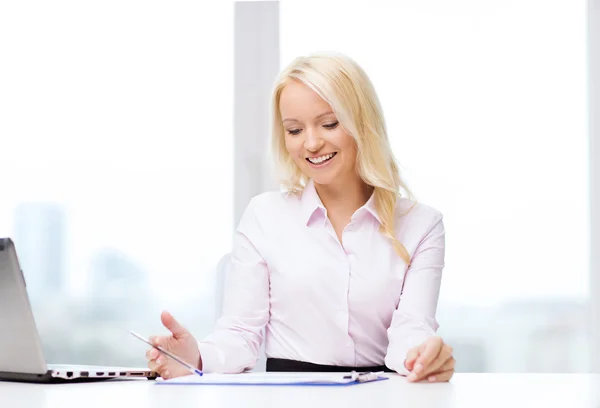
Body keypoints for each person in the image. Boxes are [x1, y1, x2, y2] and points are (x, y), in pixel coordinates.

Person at [145, 52, 455, 383]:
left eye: (329, 124)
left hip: (381, 394)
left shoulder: (422, 225)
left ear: (362, 124)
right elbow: (239, 333)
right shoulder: (264, 216)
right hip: (286, 395)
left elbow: (412, 329)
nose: (311, 143)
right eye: (294, 130)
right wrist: (197, 357)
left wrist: (424, 358)